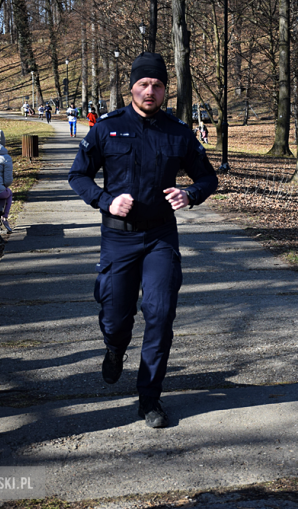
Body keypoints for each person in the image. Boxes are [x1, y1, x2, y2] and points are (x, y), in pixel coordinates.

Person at [68, 52, 218, 429]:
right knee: (117, 318)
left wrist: (190, 194)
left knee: (160, 314)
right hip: (118, 239)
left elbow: (207, 178)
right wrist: (105, 200)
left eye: (157, 85)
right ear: (131, 87)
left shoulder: (177, 131)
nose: (150, 91)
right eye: (143, 84)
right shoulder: (107, 128)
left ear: (165, 89)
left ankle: (149, 398)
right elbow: (78, 176)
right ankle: (115, 347)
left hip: (160, 238)